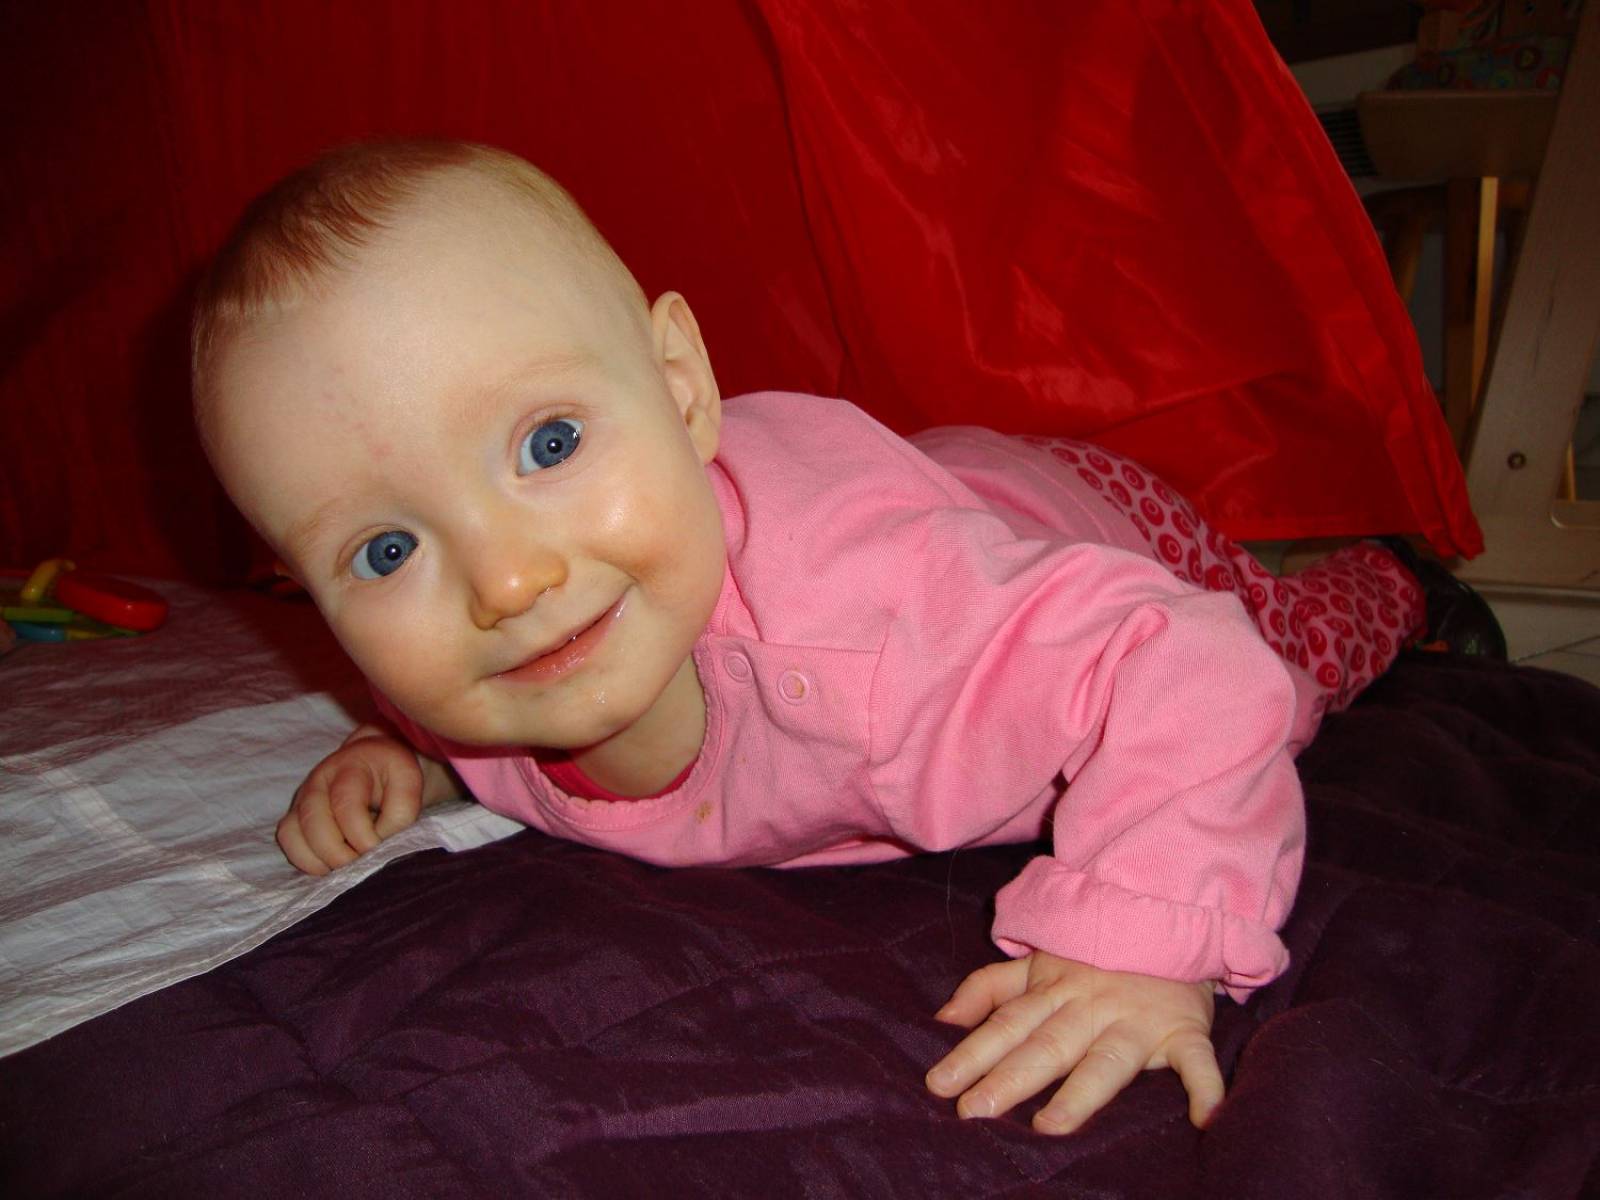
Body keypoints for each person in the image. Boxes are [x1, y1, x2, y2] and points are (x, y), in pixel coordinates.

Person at [191, 138, 1497, 1137]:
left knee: (1291, 660)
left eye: (549, 444)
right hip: (909, 472)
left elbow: (1189, 665)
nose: (507, 580)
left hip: (1084, 520)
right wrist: (416, 758)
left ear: (682, 391)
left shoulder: (890, 631)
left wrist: (1142, 945)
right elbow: (439, 686)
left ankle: (1402, 582)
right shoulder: (504, 656)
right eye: (387, 551)